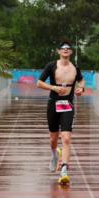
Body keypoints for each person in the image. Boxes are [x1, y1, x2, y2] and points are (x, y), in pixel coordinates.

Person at [37, 41, 85, 186]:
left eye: (68, 49)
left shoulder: (75, 68)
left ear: (71, 52)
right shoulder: (51, 66)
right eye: (63, 48)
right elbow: (39, 83)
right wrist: (54, 88)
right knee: (53, 138)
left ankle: (64, 170)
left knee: (66, 138)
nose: (65, 50)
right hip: (53, 103)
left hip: (67, 105)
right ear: (58, 51)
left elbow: (81, 81)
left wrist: (81, 90)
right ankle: (54, 155)